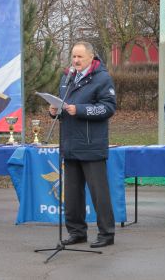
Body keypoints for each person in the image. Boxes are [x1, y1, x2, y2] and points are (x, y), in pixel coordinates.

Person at [49, 41, 116, 248]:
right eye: (74, 56)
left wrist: (79, 110)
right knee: (72, 194)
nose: (76, 60)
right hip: (69, 144)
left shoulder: (102, 78)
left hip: (91, 144)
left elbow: (107, 108)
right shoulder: (67, 77)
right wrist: (54, 111)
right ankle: (77, 232)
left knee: (99, 193)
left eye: (80, 57)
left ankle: (107, 233)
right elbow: (64, 106)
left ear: (91, 57)